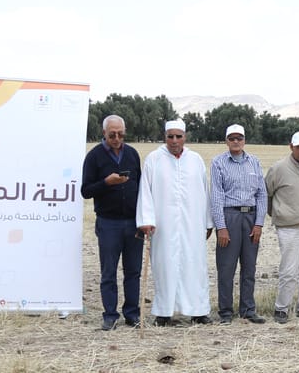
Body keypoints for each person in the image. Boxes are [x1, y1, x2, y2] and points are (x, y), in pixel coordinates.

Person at [136, 120, 212, 326]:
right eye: (171, 136)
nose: (174, 141)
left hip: (192, 224)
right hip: (163, 226)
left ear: (185, 137)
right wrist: (146, 220)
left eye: (179, 136)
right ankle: (164, 312)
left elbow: (204, 192)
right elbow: (145, 192)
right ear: (165, 137)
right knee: (165, 266)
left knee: (194, 266)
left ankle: (198, 311)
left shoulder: (195, 160)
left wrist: (208, 222)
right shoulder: (154, 159)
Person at [81, 114, 143, 330]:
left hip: (133, 223)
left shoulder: (133, 154)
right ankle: (110, 314)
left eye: (120, 134)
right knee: (109, 272)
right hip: (108, 223)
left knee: (133, 271)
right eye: (112, 135)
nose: (116, 138)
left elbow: (141, 186)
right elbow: (86, 191)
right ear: (104, 134)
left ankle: (132, 314)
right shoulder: (94, 157)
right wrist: (106, 183)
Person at [209, 124, 267, 324]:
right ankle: (225, 312)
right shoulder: (218, 163)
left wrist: (259, 223)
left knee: (249, 267)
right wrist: (221, 227)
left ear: (244, 140)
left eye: (239, 138)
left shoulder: (255, 163)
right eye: (232, 138)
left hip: (251, 217)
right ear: (226, 140)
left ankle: (248, 310)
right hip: (230, 216)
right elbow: (216, 196)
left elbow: (262, 194)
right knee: (226, 267)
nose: (236, 141)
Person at [264, 131, 299, 324]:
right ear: (291, 147)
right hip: (288, 227)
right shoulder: (278, 168)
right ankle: (281, 308)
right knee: (289, 269)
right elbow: (267, 195)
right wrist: (279, 214)